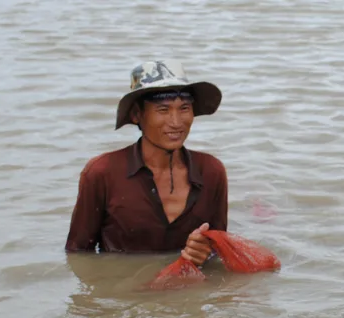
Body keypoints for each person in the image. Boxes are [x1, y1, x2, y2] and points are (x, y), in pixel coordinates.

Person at [65, 60, 228, 266]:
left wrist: (206, 252)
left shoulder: (212, 171)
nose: (176, 122)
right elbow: (77, 257)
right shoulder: (102, 172)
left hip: (186, 293)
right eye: (163, 110)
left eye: (184, 108)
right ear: (136, 115)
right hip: (124, 295)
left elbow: (220, 249)